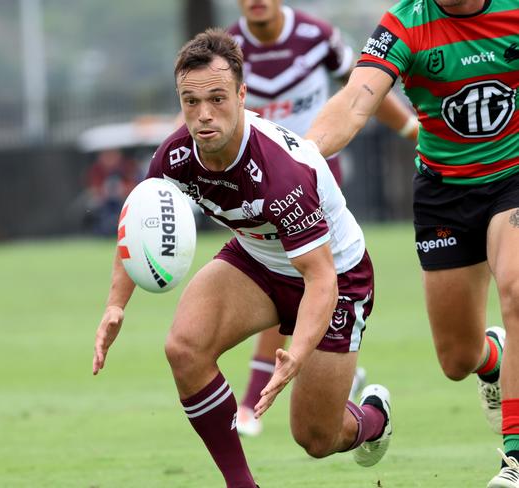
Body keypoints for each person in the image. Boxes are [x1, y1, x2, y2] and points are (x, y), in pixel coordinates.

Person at [93, 29, 394, 488]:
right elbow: (138, 221)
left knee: (315, 437)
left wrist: (295, 352)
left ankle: (374, 417)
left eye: (217, 99)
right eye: (190, 102)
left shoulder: (279, 173)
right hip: (257, 260)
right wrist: (116, 304)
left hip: (337, 275)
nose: (203, 115)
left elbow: (321, 278)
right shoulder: (175, 155)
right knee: (184, 349)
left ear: (241, 94)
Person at [304, 1, 518, 486]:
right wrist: (301, 156)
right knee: (457, 359)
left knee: (516, 291)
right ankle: (493, 360)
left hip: (514, 177)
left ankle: (515, 458)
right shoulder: (407, 21)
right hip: (445, 194)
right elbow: (358, 98)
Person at [227, 0, 419, 436]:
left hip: (315, 180)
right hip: (254, 186)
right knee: (285, 280)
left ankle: (252, 402)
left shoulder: (317, 36)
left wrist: (411, 130)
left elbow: (366, 89)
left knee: (293, 276)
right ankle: (340, 376)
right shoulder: (229, 50)